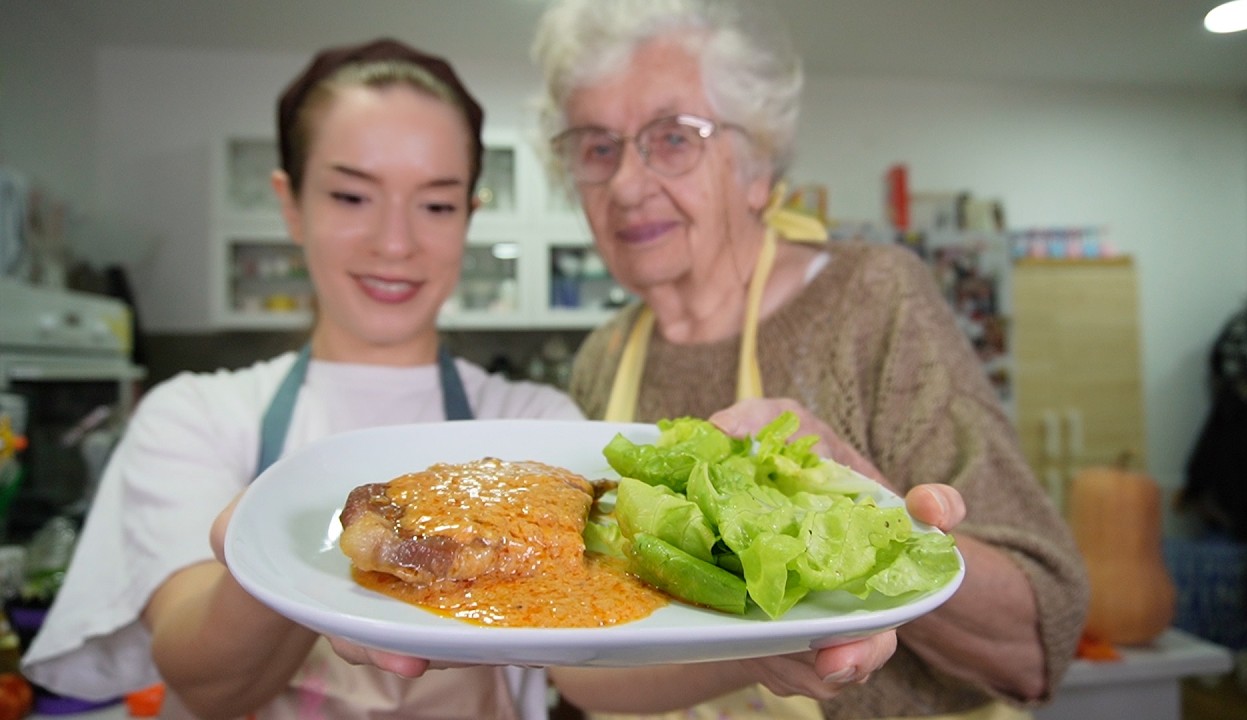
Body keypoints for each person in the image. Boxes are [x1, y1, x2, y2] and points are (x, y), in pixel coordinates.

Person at [19, 38, 914, 719]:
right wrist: (275, 550)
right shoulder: (197, 416)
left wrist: (771, 645)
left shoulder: (531, 422)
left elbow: (586, 668)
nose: (397, 241)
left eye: (438, 202)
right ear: (289, 202)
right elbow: (203, 680)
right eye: (351, 195)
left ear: (471, 217)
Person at [531, 1, 1090, 719]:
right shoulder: (601, 360)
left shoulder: (871, 299)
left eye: (673, 138)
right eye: (598, 147)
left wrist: (859, 497)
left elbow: (1037, 645)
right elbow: (582, 662)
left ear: (758, 167)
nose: (627, 185)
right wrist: (760, 640)